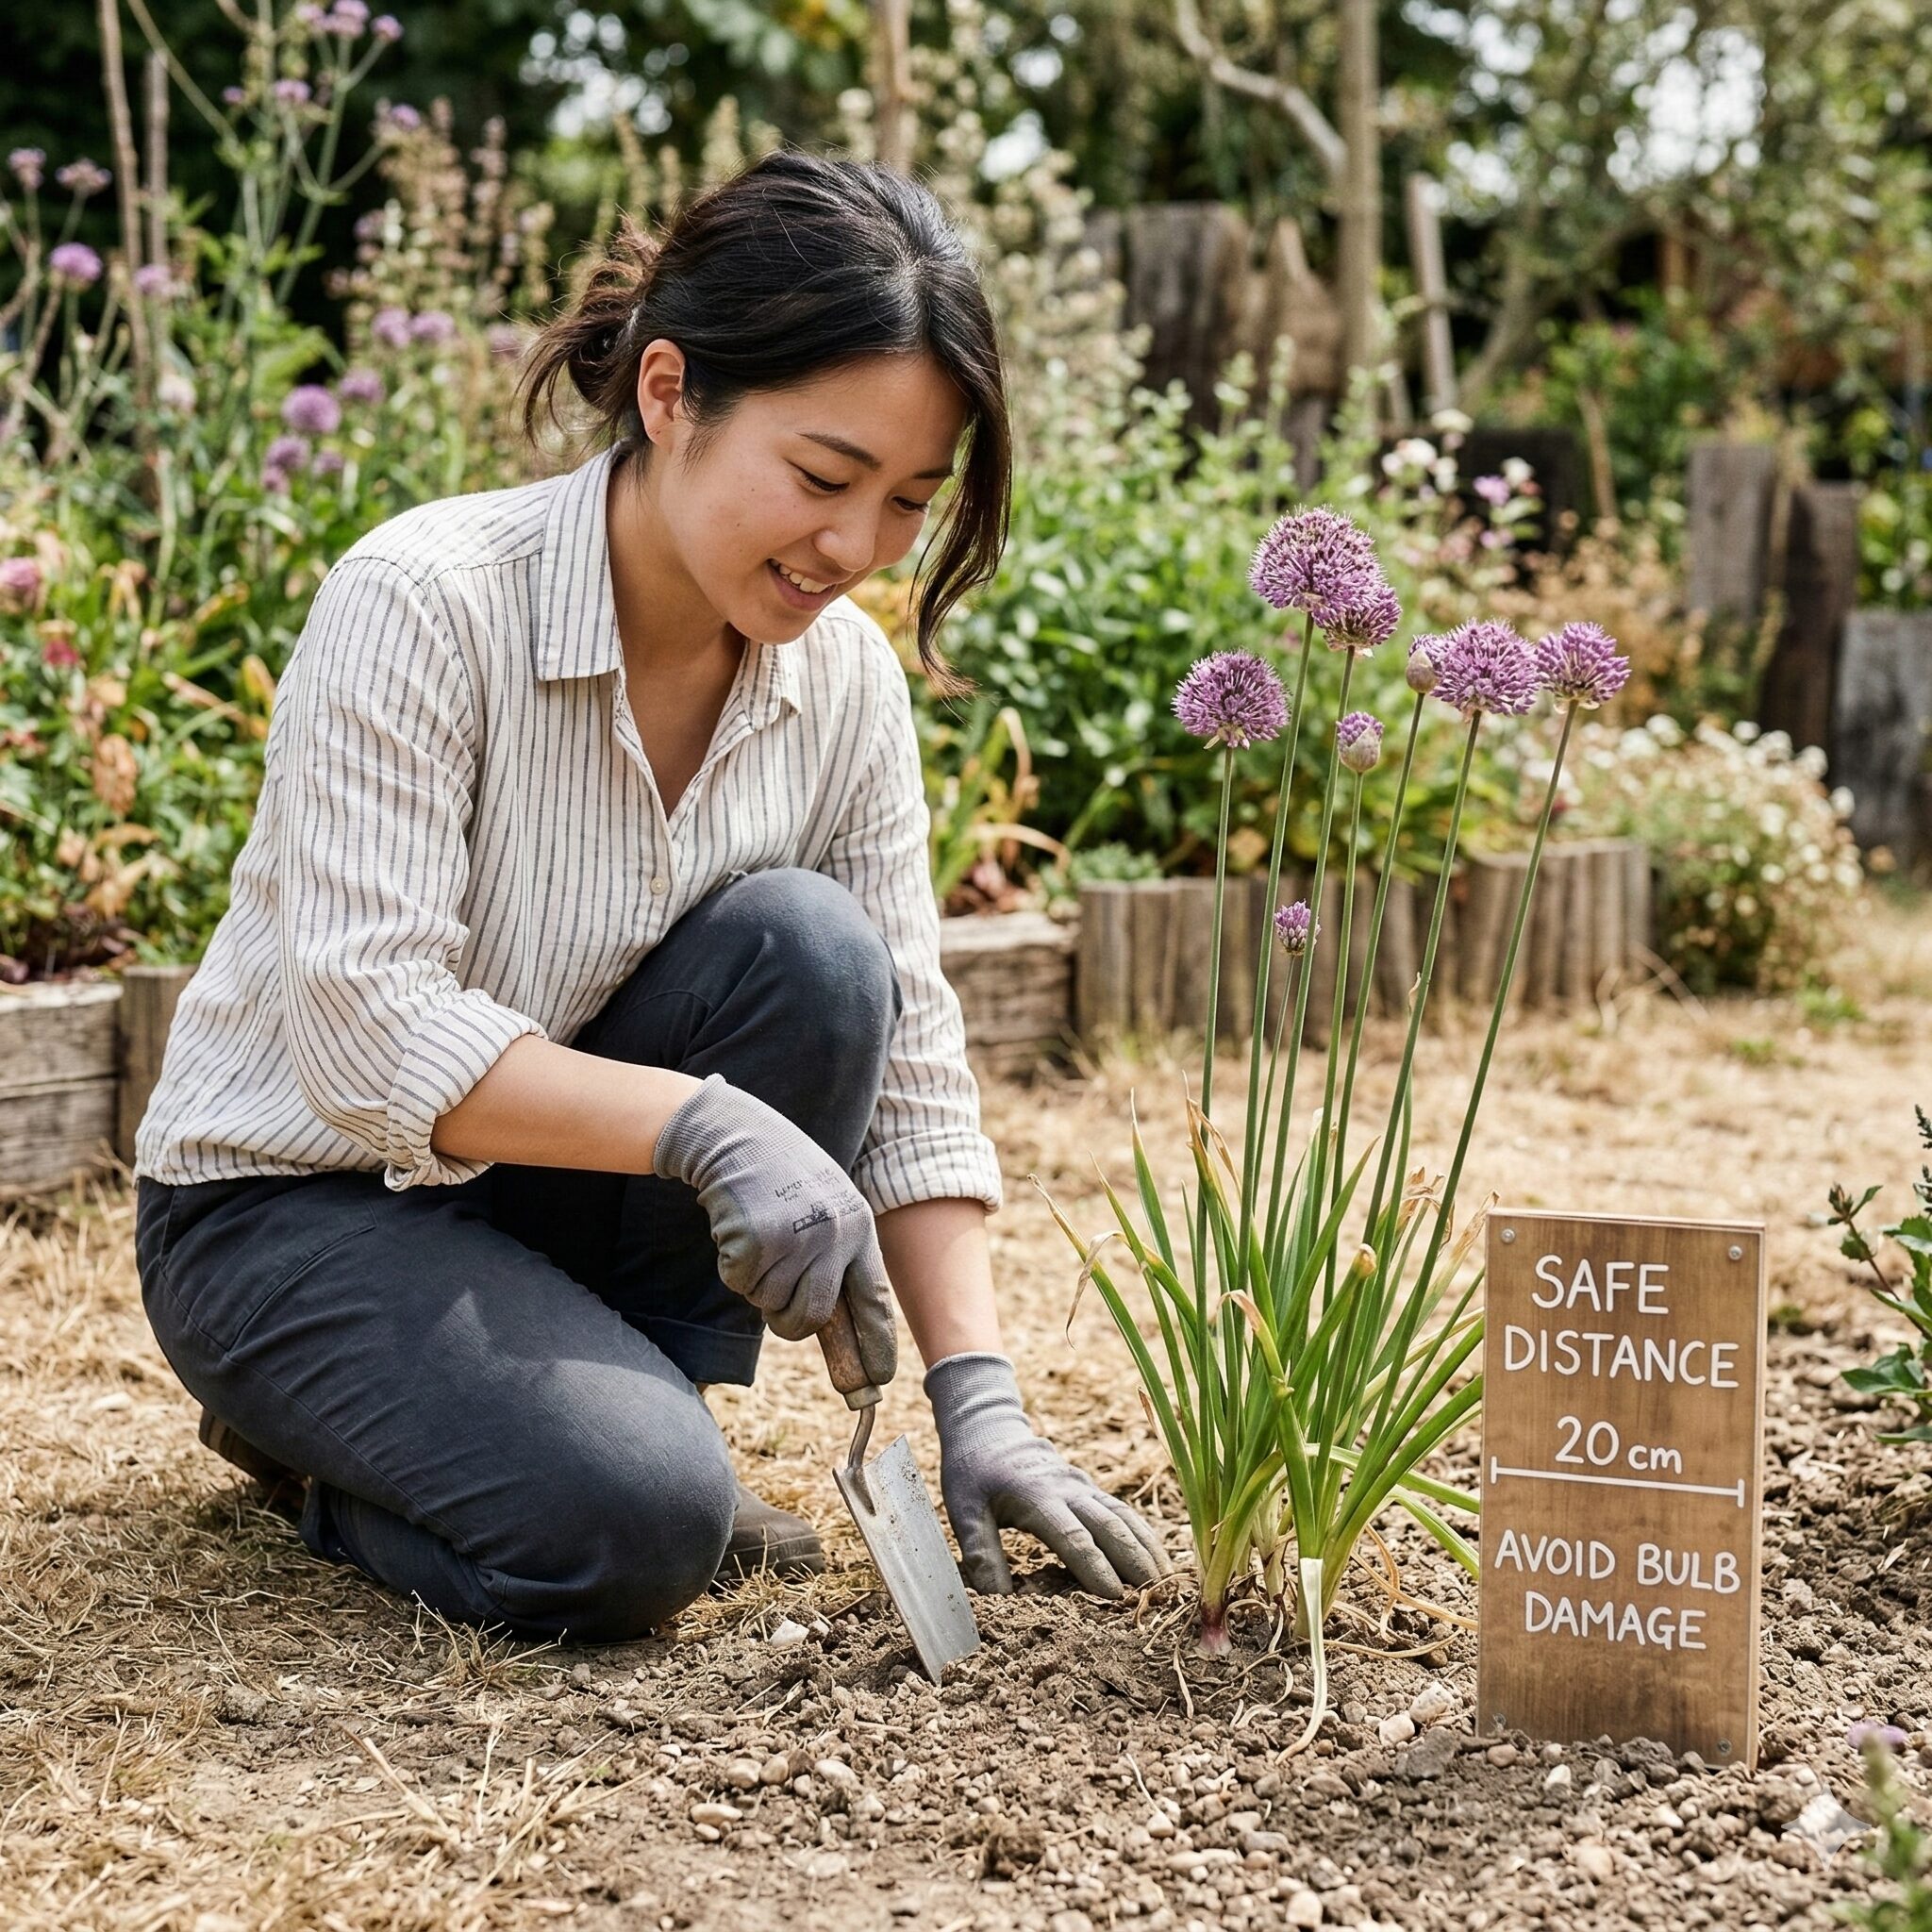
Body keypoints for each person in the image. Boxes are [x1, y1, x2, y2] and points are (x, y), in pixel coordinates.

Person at [131, 149, 1168, 1642]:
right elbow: (368, 1032)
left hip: (522, 1200)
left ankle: (610, 1410)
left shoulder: (845, 682)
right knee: (637, 1539)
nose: (857, 551)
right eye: (821, 477)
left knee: (814, 954)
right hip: (287, 1209)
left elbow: (913, 1062)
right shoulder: (426, 600)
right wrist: (703, 1124)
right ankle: (332, 1458)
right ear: (670, 392)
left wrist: (981, 1401)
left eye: (907, 502)